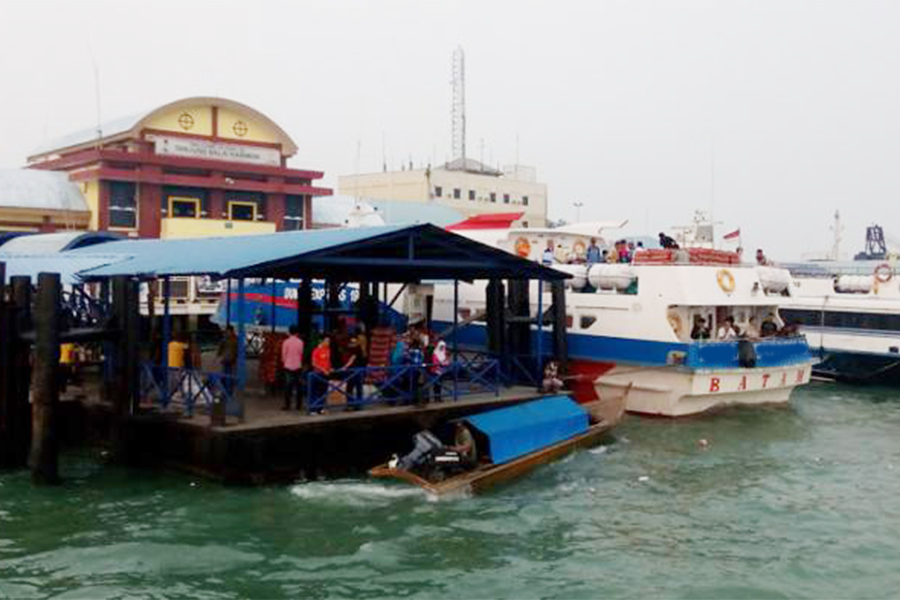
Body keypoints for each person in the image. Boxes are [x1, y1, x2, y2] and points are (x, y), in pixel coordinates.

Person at [281, 325, 305, 410]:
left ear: (289, 332)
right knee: (299, 386)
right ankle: (299, 405)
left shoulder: (285, 342)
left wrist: (284, 362)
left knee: (288, 387)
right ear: (297, 333)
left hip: (288, 366)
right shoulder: (300, 342)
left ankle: (287, 405)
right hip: (298, 366)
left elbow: (283, 355)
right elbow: (301, 354)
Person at [342, 336, 367, 409]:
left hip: (353, 370)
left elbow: (352, 359)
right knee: (358, 388)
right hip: (358, 370)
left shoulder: (356, 348)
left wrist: (345, 367)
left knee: (350, 388)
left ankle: (350, 404)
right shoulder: (362, 349)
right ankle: (358, 404)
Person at [310, 335, 332, 411]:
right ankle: (313, 409)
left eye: (329, 341)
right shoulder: (316, 350)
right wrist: (323, 369)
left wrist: (329, 368)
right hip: (318, 374)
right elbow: (314, 363)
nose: (328, 343)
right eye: (327, 341)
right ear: (321, 341)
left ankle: (321, 408)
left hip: (326, 374)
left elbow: (328, 361)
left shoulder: (328, 350)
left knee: (323, 392)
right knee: (315, 392)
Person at [406, 337, 425, 405]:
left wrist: (409, 358)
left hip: (414, 370)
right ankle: (418, 400)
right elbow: (421, 360)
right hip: (419, 370)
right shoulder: (420, 351)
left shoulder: (413, 351)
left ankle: (413, 400)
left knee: (413, 385)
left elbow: (416, 361)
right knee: (418, 386)